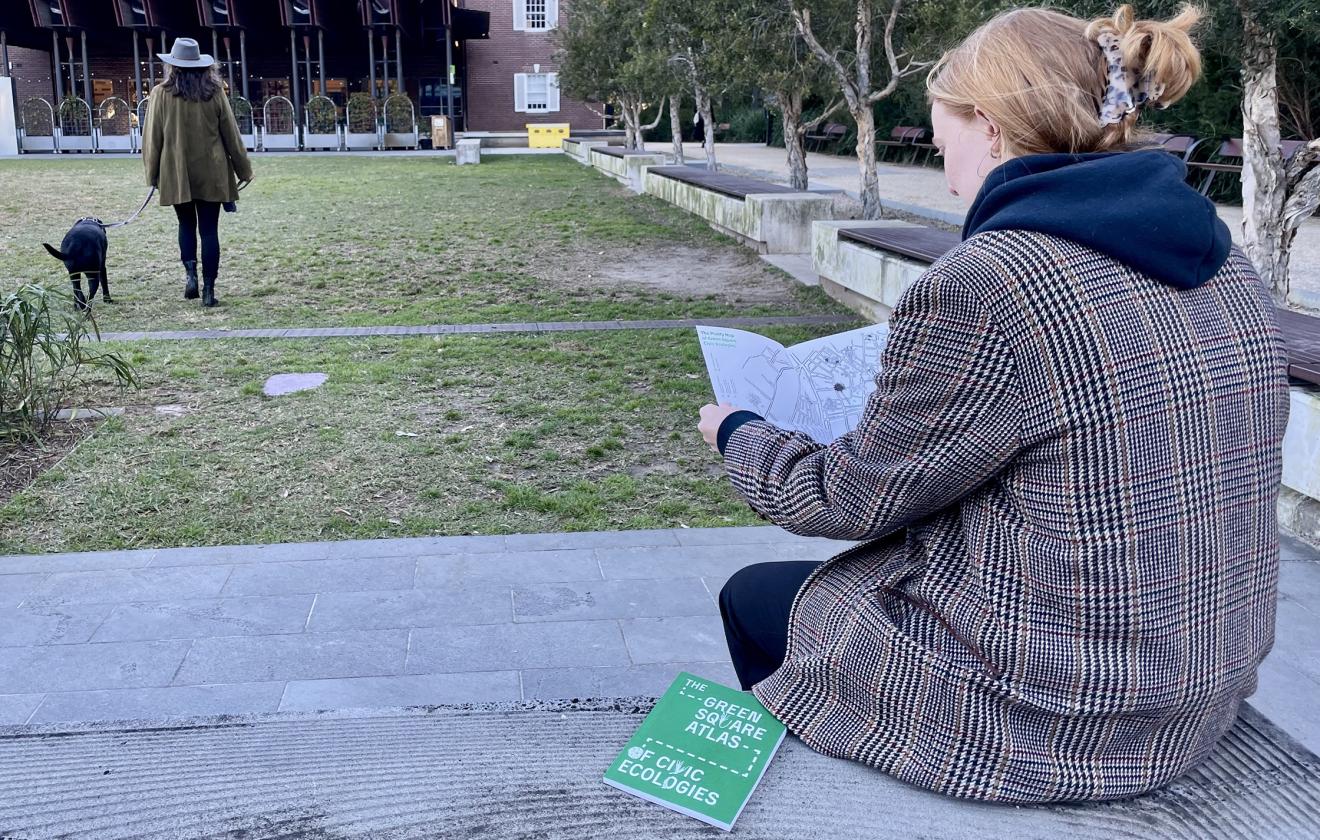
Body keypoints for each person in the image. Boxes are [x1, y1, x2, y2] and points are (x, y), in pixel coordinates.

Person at [698, 4, 1290, 805]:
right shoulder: (1227, 266)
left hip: (1065, 709)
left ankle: (830, 805)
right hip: (1200, 680)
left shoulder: (990, 284)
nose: (945, 175)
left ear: (993, 128)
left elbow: (846, 500)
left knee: (758, 597)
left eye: (945, 142)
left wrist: (737, 431)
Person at [142, 38, 253, 308]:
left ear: (173, 66)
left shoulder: (160, 93)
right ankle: (209, 290)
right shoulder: (214, 92)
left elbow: (151, 137)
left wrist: (152, 174)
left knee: (185, 225)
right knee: (209, 231)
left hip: (176, 171)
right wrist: (243, 169)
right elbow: (231, 133)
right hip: (211, 172)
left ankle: (190, 275)